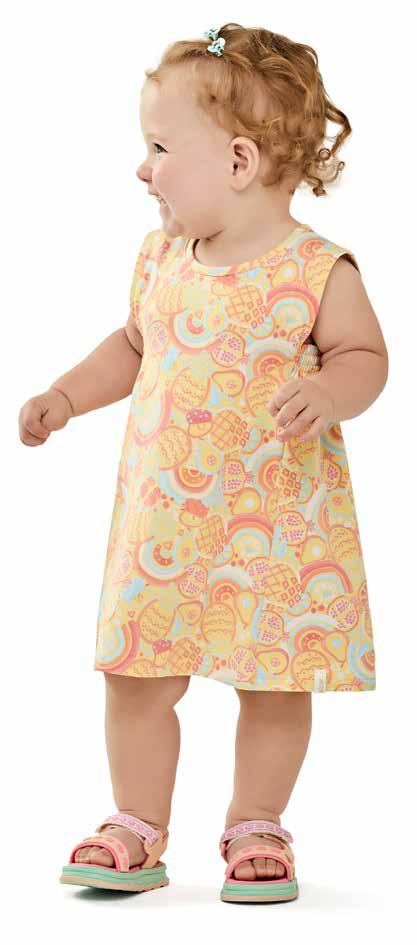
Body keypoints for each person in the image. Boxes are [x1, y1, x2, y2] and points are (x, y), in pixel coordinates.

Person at [18, 23, 388, 903]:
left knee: (275, 684)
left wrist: (331, 390)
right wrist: (67, 394)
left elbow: (364, 356)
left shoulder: (314, 270)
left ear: (237, 160)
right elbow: (133, 345)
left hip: (278, 531)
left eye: (157, 149)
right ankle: (136, 822)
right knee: (135, 675)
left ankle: (256, 819)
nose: (141, 170)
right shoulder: (161, 259)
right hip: (166, 529)